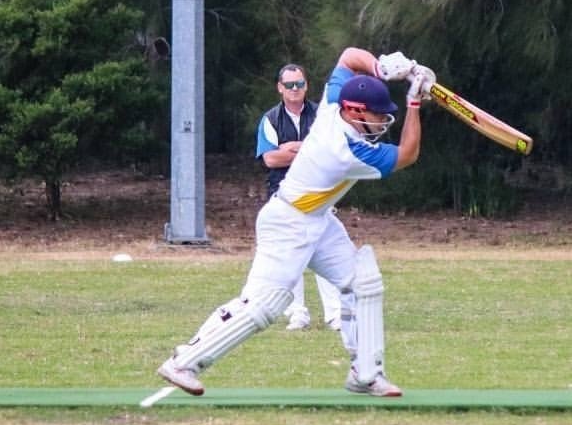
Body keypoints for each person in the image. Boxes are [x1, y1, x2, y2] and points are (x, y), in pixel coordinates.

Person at [158, 47, 435, 397]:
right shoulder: (346, 151)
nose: (383, 122)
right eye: (378, 115)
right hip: (287, 222)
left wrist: (385, 69)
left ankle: (365, 373)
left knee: (362, 284)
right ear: (354, 111)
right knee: (264, 304)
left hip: (317, 219)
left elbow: (349, 56)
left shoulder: (333, 103)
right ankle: (183, 362)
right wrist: (414, 103)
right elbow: (408, 154)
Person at [255, 63, 341, 332]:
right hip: (282, 196)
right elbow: (270, 159)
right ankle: (297, 313)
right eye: (290, 85)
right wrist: (309, 149)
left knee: (324, 251)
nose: (295, 89)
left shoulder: (321, 114)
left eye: (299, 84)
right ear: (280, 88)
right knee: (290, 255)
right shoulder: (270, 119)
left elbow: (329, 150)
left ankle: (335, 314)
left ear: (306, 86)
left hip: (319, 194)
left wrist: (292, 148)